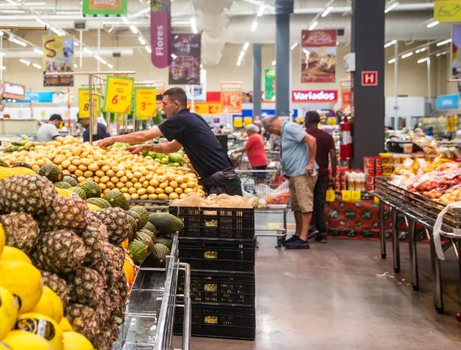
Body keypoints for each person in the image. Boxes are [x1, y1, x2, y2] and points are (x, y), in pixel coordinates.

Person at [97, 87, 242, 195]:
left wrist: (114, 138)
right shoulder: (192, 118)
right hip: (224, 179)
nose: (163, 108)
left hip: (223, 183)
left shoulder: (181, 119)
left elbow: (144, 135)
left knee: (227, 228)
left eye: (165, 104)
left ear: (176, 104)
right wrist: (144, 148)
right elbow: (173, 147)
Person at [262, 115, 317, 250]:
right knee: (296, 206)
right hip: (293, 174)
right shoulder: (284, 132)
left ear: (270, 127)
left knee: (305, 205)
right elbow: (287, 155)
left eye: (268, 131)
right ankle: (297, 235)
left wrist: (310, 163)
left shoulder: (291, 128)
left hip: (302, 173)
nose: (270, 134)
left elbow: (312, 140)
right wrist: (277, 172)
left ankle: (303, 239)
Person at [304, 111, 338, 243]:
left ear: (307, 120)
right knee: (319, 203)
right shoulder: (327, 137)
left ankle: (308, 230)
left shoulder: (304, 136)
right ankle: (322, 232)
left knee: (306, 202)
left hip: (307, 173)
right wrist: (334, 174)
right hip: (323, 173)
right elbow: (333, 156)